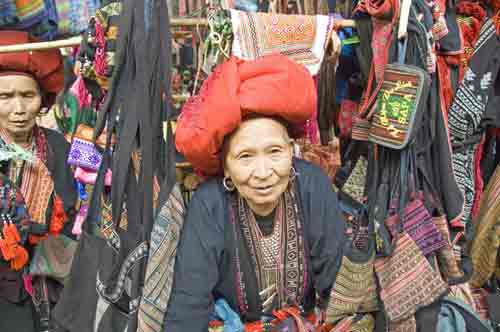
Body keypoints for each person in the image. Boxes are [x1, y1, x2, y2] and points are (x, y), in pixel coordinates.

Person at [167, 54, 346, 331]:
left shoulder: (312, 185)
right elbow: (189, 301)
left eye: (274, 152)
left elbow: (339, 285)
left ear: (291, 151)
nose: (263, 172)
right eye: (245, 156)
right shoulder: (210, 203)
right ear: (225, 167)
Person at [0, 31, 77, 332]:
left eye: (28, 96)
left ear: (42, 99)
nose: (19, 110)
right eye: (5, 97)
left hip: (55, 288)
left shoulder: (61, 148)